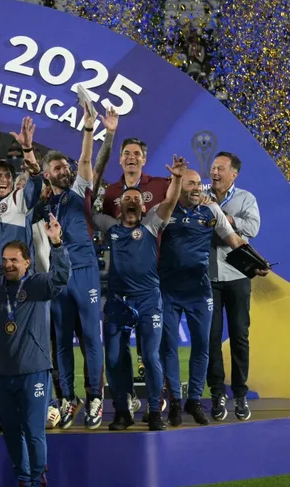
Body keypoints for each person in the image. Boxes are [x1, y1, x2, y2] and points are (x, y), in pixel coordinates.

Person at [90, 156, 186, 432]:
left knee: (152, 356)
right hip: (118, 301)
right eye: (126, 199)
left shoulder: (151, 225)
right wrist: (93, 181)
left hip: (147, 300)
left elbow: (168, 203)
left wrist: (177, 179)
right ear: (119, 206)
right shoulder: (111, 227)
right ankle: (123, 411)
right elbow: (89, 211)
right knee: (115, 358)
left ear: (143, 207)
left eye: (136, 199)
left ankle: (155, 411)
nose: (131, 201)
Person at [158, 168, 254, 427]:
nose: (198, 188)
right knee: (169, 348)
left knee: (202, 347)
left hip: (200, 291)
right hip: (168, 291)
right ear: (179, 187)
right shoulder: (165, 211)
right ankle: (176, 403)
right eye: (191, 184)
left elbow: (233, 239)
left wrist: (256, 262)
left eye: (199, 183)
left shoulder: (212, 211)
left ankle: (195, 401)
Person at [0, 115, 42, 433]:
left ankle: (37, 408)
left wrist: (28, 150)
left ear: (12, 181)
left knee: (17, 349)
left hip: (14, 286)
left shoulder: (18, 201)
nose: (0, 179)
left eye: (5, 175)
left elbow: (37, 183)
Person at [0, 216, 68, 487]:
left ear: (26, 262)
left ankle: (38, 478)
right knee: (10, 430)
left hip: (33, 370)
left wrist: (57, 243)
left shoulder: (37, 285)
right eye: (5, 260)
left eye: (14, 260)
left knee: (34, 431)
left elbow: (61, 277)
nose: (8, 265)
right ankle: (23, 478)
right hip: (2, 373)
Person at [42, 104, 105, 429]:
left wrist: (89, 128)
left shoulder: (80, 190)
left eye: (66, 166)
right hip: (58, 276)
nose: (65, 169)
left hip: (85, 271)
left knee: (92, 338)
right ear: (46, 174)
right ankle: (68, 398)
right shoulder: (41, 203)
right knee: (62, 341)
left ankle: (95, 397)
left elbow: (85, 160)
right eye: (57, 167)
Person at [207, 151, 261, 421]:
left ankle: (240, 394)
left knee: (240, 336)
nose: (214, 172)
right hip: (208, 278)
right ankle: (217, 393)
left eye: (220, 168)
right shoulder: (201, 197)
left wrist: (229, 221)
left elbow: (253, 228)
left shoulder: (245, 199)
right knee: (211, 339)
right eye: (213, 167)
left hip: (237, 276)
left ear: (233, 175)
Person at [99, 138, 170, 218]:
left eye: (137, 153)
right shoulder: (111, 191)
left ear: (144, 160)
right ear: (120, 160)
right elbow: (108, 225)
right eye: (126, 153)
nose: (131, 157)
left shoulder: (160, 185)